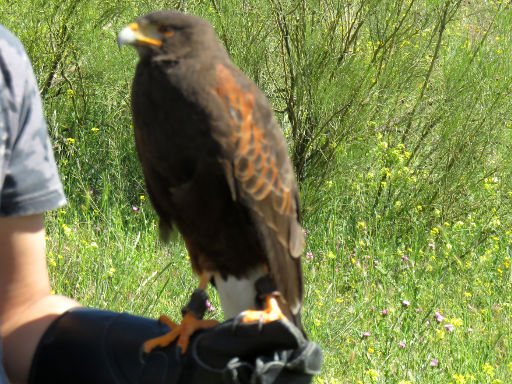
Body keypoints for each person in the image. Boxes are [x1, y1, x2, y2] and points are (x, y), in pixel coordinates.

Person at [0, 24, 321, 384]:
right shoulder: (149, 92)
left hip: (265, 278)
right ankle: (196, 313)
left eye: (163, 30)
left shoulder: (5, 66)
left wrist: (168, 368)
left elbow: (18, 308)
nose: (132, 32)